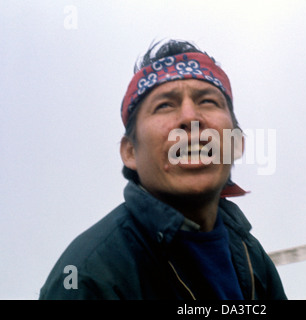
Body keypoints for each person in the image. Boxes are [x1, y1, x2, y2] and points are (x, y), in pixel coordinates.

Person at [39, 40, 287, 300]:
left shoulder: (249, 253)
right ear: (130, 152)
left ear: (236, 143)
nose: (190, 118)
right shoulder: (90, 278)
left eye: (208, 101)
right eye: (165, 105)